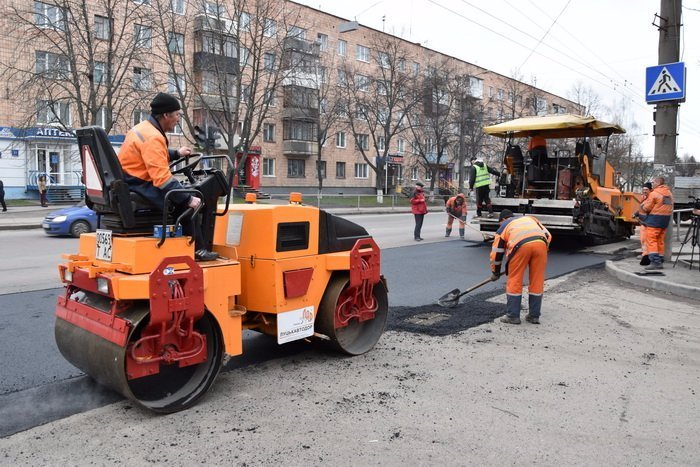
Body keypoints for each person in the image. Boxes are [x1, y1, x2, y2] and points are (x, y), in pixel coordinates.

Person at [117, 92, 218, 262]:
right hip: (140, 184)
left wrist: (176, 153)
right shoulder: (153, 137)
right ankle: (198, 250)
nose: (178, 119)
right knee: (188, 202)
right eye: (177, 115)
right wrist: (188, 199)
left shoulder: (142, 128)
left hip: (130, 180)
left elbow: (150, 154)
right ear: (166, 115)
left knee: (181, 194)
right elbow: (162, 180)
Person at [490, 209, 552, 325]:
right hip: (541, 245)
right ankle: (534, 316)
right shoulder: (530, 218)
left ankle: (513, 316)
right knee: (537, 280)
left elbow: (496, 253)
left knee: (515, 279)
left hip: (520, 247)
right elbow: (548, 235)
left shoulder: (503, 226)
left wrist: (495, 271)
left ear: (503, 219)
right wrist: (540, 250)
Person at [638, 176, 673, 270]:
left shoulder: (654, 193)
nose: (652, 184)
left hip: (654, 220)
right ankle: (660, 260)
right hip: (665, 220)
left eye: (653, 182)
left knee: (651, 240)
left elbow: (647, 207)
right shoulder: (669, 193)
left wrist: (642, 207)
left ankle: (655, 262)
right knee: (660, 240)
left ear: (657, 183)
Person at [635, 182, 653, 266]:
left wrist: (640, 216)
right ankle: (644, 255)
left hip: (648, 223)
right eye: (643, 189)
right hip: (643, 223)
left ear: (650, 190)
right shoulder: (644, 198)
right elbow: (641, 208)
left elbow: (649, 211)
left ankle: (646, 257)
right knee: (643, 240)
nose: (644, 191)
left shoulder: (651, 199)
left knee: (646, 241)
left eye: (646, 189)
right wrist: (637, 213)